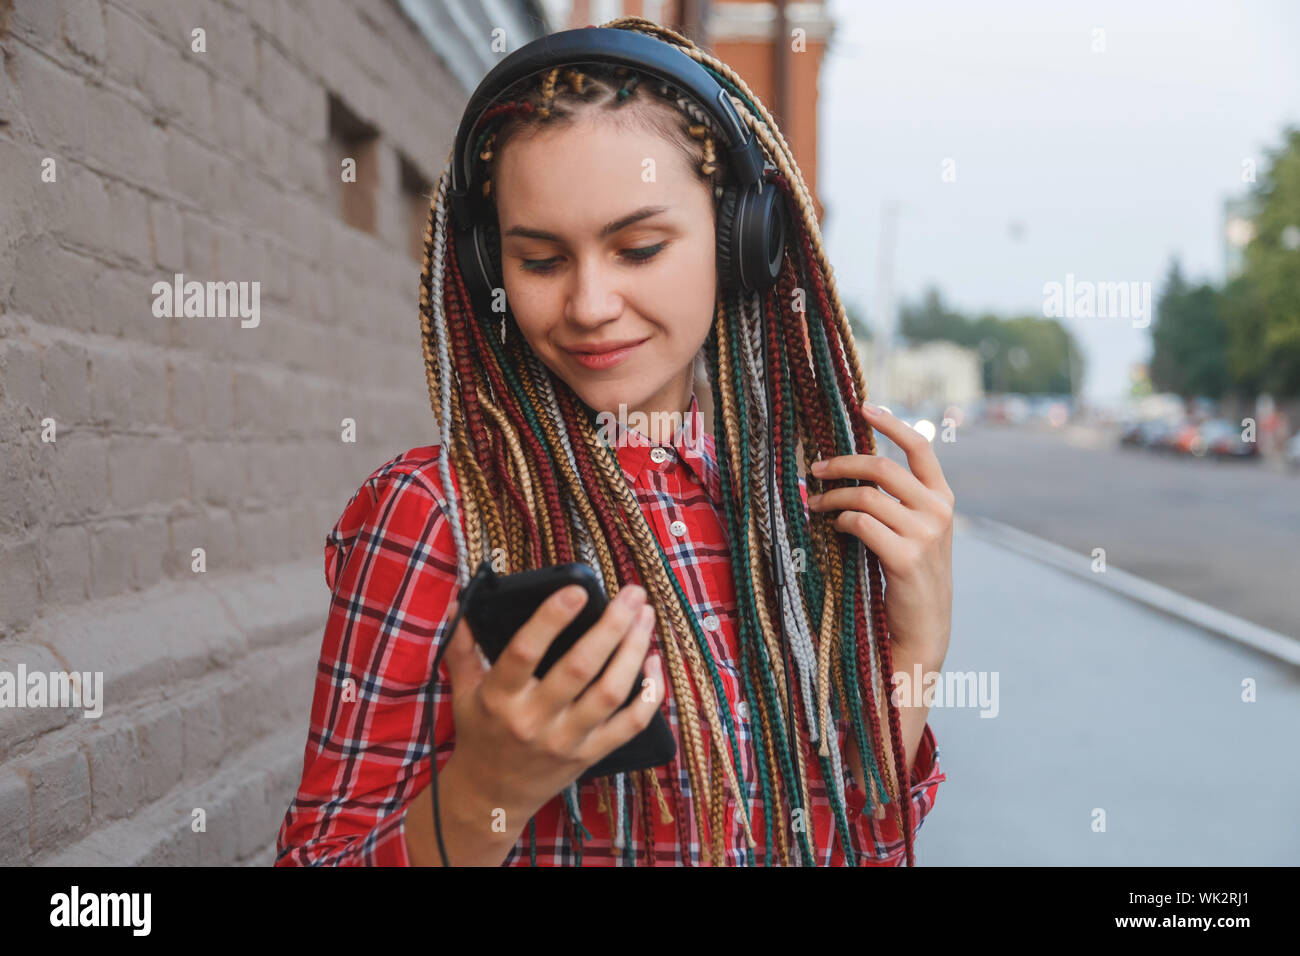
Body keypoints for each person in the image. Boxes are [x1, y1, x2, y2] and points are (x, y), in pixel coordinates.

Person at [276, 18, 953, 867]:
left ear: (742, 241)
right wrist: (488, 792)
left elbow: (849, 845)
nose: (591, 303)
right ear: (490, 272)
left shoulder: (806, 517)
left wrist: (917, 652)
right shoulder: (435, 514)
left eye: (638, 248)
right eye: (542, 261)